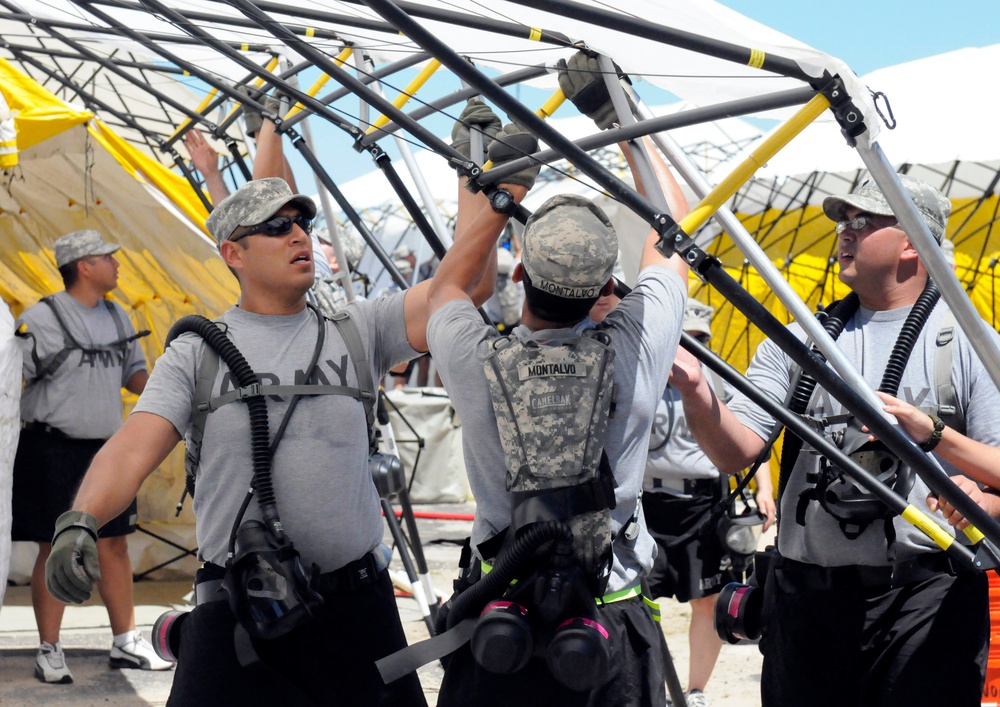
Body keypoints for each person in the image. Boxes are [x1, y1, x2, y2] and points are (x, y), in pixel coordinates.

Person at [41, 176, 493, 705]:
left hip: (356, 614)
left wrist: (491, 192)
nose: (298, 235)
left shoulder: (360, 328)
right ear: (233, 252)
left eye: (303, 223)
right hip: (239, 615)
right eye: (277, 227)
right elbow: (134, 445)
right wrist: (82, 519)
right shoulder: (198, 352)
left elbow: (462, 290)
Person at [671, 173, 1000, 706]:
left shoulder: (969, 344)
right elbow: (737, 452)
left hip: (923, 604)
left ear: (913, 242)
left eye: (864, 221)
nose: (845, 233)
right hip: (805, 608)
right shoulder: (799, 339)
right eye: (844, 222)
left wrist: (981, 501)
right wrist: (694, 390)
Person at [426, 84, 690, 704]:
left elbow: (449, 288)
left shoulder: (472, 356)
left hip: (499, 618)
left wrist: (502, 193)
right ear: (605, 283)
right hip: (607, 620)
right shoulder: (635, 345)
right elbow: (672, 233)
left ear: (521, 273)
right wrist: (617, 118)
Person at [597, 298, 775, 707]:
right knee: (632, 595)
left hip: (703, 502)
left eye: (699, 339)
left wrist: (764, 489)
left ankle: (695, 691)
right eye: (683, 337)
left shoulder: (721, 376)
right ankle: (650, 684)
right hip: (647, 500)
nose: (690, 347)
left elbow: (751, 435)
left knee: (708, 599)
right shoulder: (643, 367)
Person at [11, 230, 170, 683]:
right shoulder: (40, 318)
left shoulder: (120, 316)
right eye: (108, 257)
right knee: (54, 545)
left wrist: (177, 392)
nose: (117, 264)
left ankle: (125, 643)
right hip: (50, 449)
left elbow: (134, 373)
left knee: (114, 545)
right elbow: (12, 380)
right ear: (84, 265)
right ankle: (49, 649)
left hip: (107, 449)